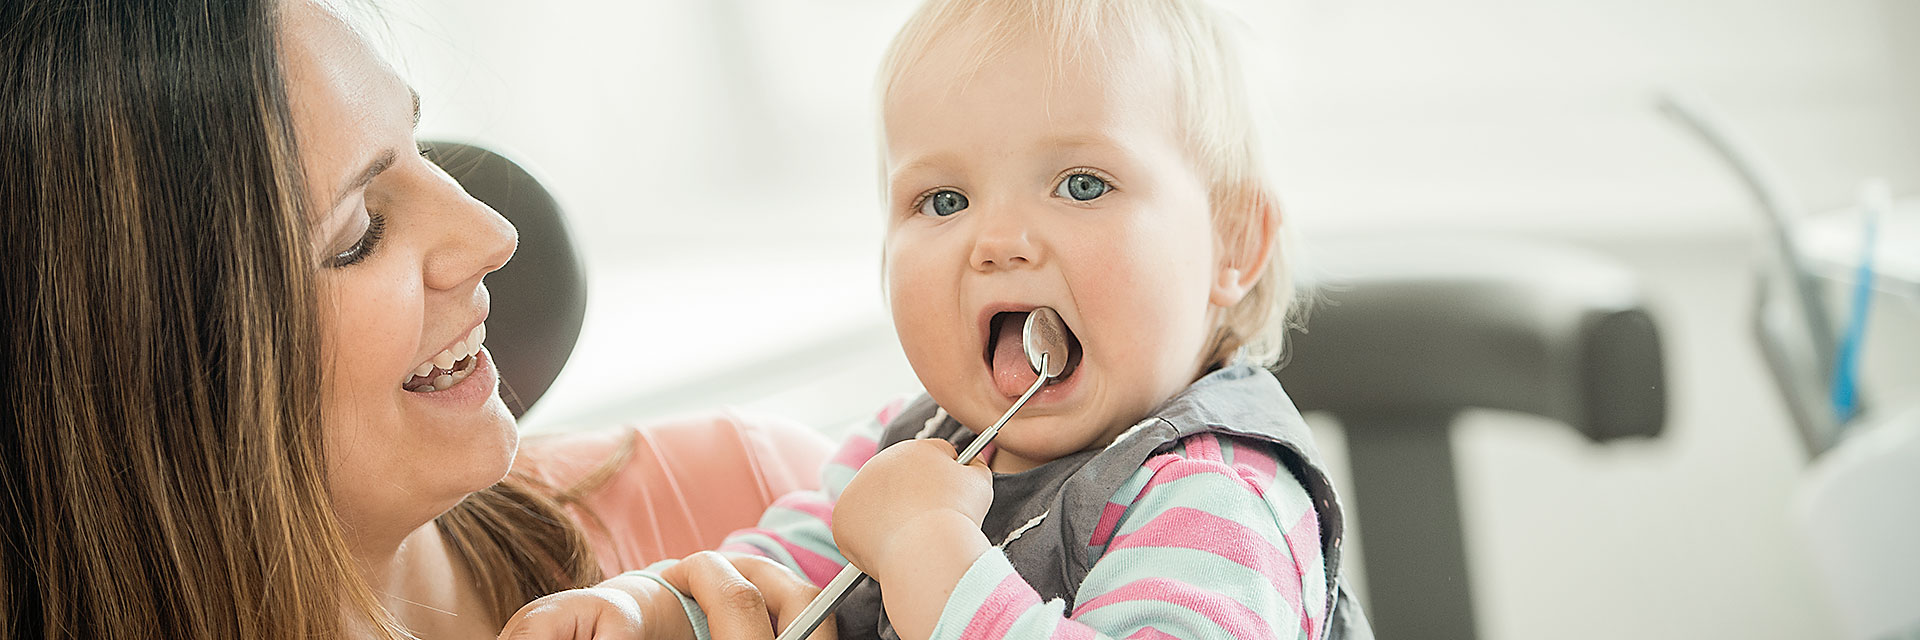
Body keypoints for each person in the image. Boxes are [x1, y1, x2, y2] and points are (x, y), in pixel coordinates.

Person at [529, 0, 1375, 638]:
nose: (998, 241)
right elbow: (767, 585)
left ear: (1232, 245)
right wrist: (652, 613)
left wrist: (929, 547)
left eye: (1082, 184)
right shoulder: (904, 453)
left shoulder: (1222, 496)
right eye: (943, 199)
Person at [0, 1, 832, 638]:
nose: (493, 236)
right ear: (150, 376)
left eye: (422, 147)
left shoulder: (777, 507)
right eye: (362, 229)